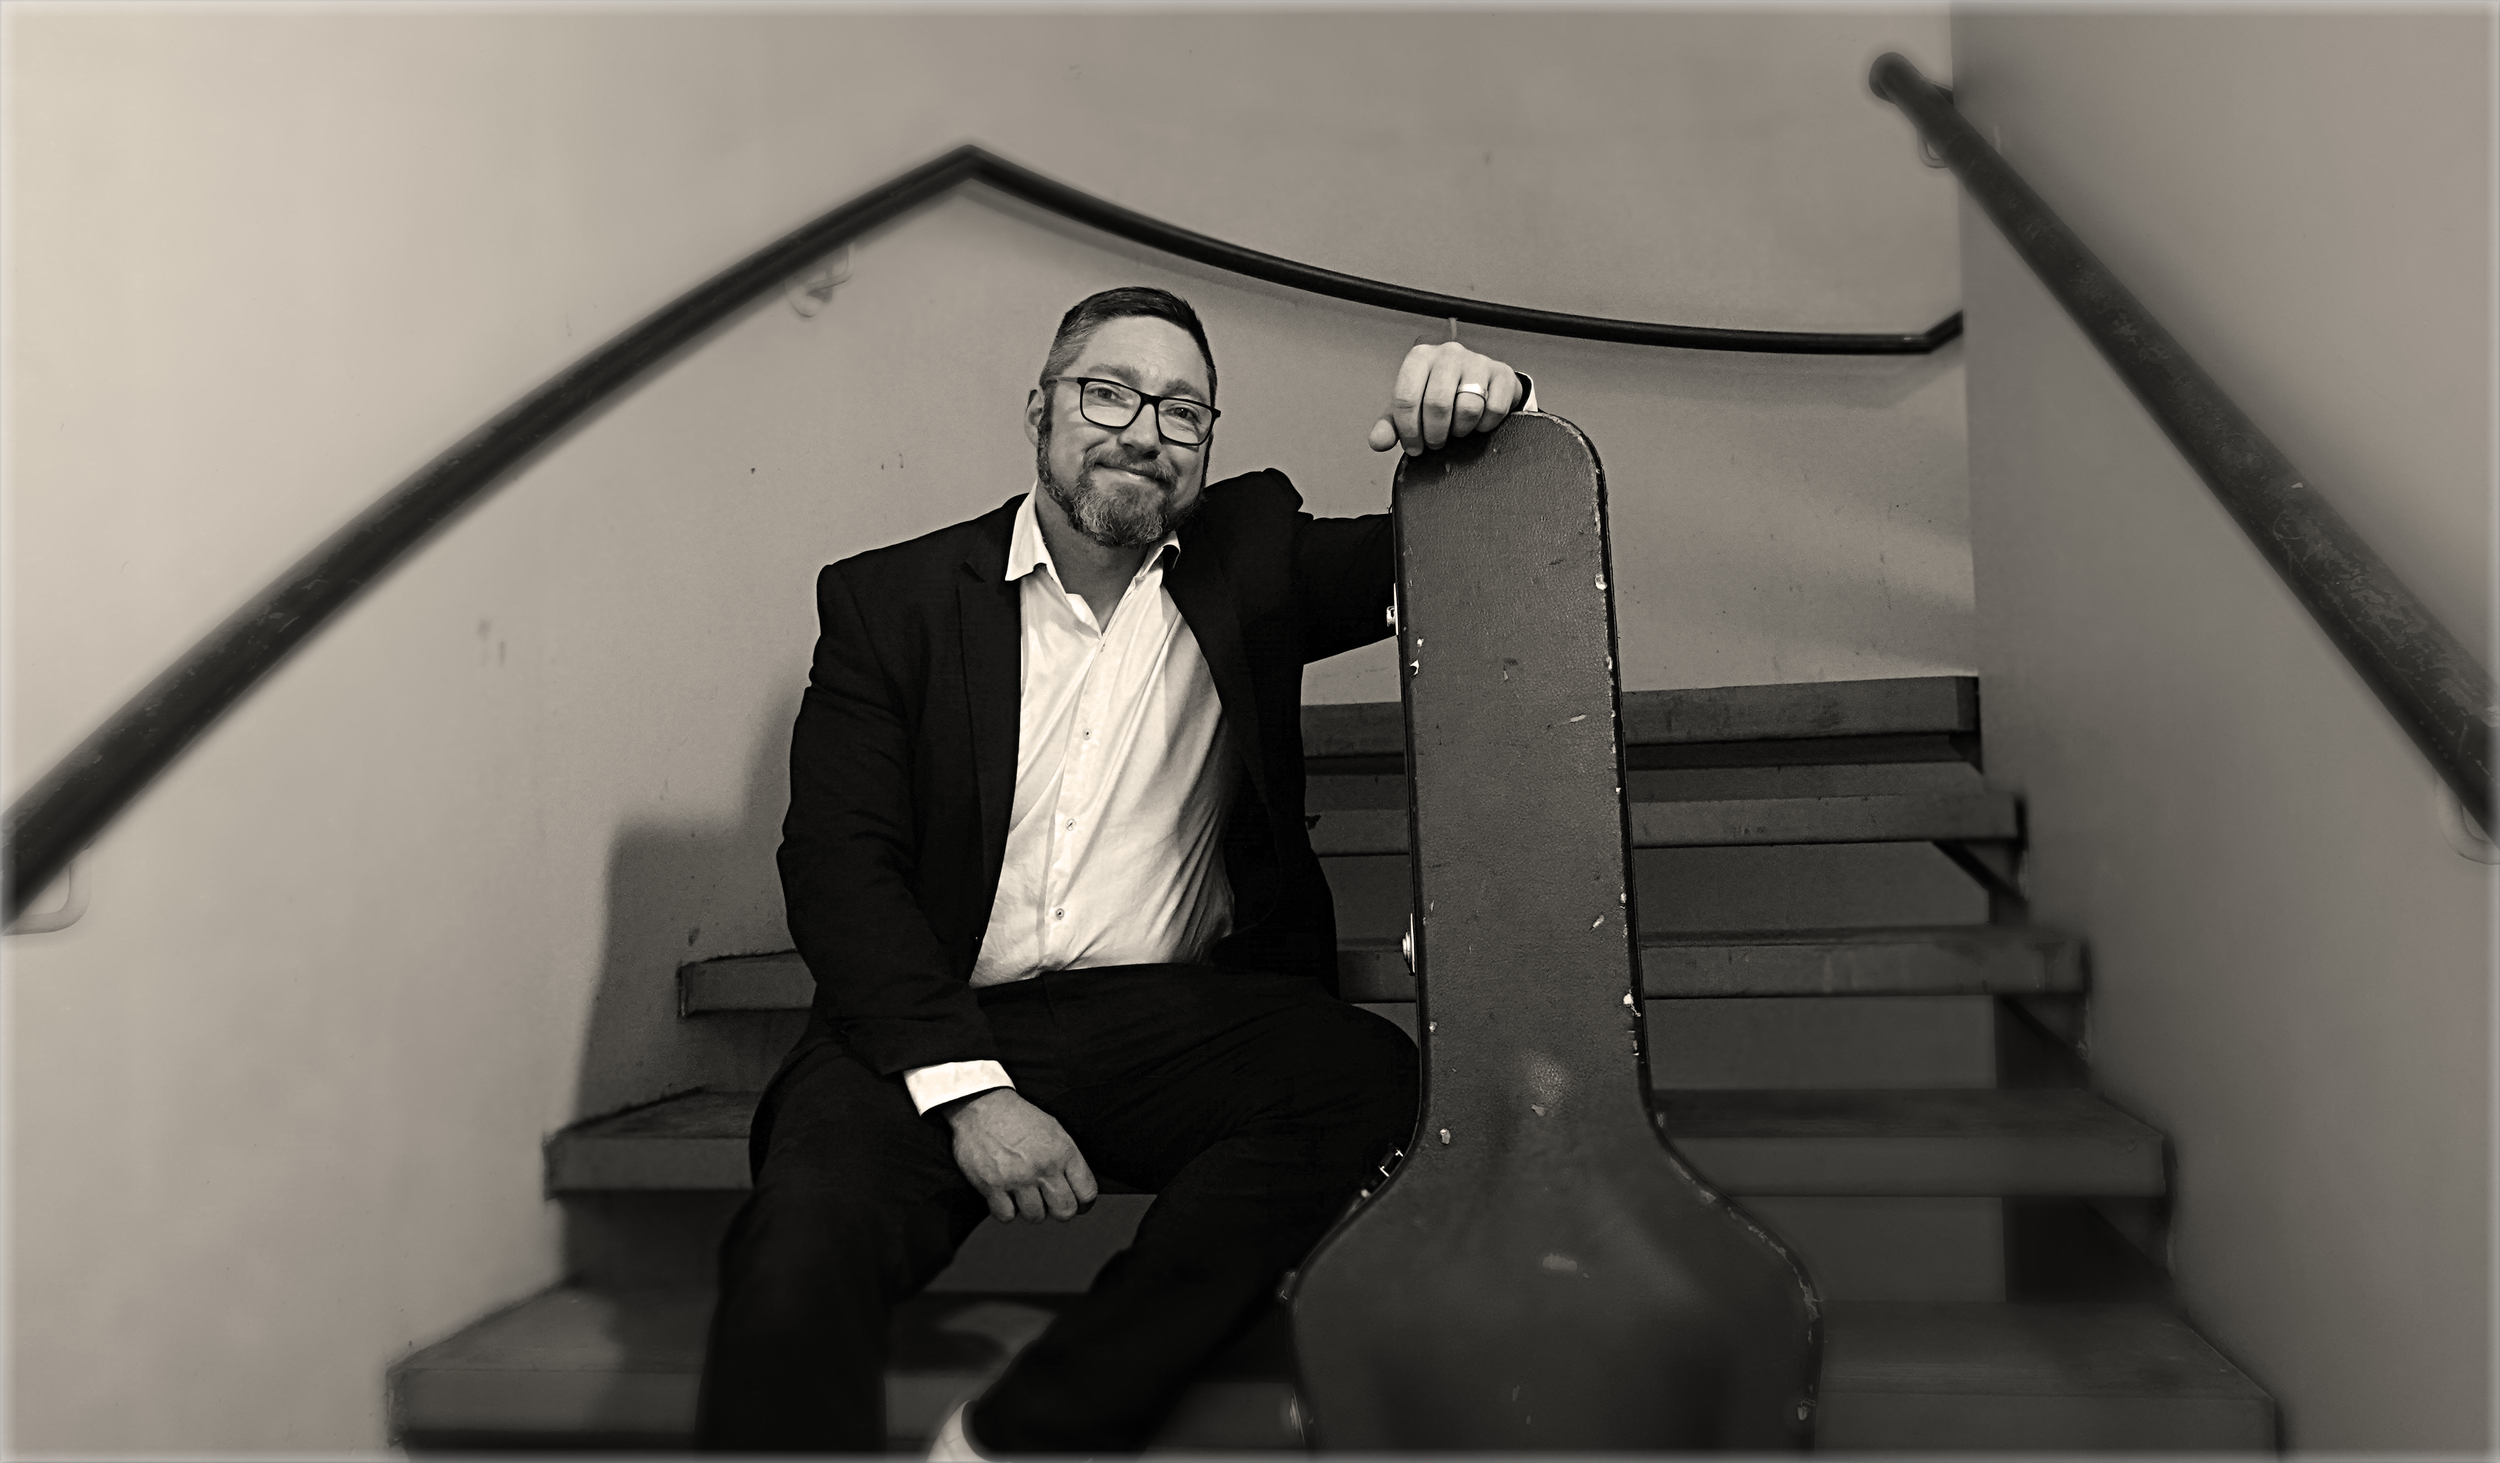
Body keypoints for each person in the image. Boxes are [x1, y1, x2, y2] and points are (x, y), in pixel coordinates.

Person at [695, 286, 1531, 1461]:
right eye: (1109, 393)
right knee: (795, 1246)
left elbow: (1473, 556)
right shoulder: (892, 602)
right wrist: (969, 1089)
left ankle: (1027, 1432)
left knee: (1359, 1078)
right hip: (934, 1022)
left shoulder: (1253, 556)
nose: (1144, 429)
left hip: (1172, 1024)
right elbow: (839, 865)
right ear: (1038, 410)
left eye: (1183, 412)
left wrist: (1495, 414)